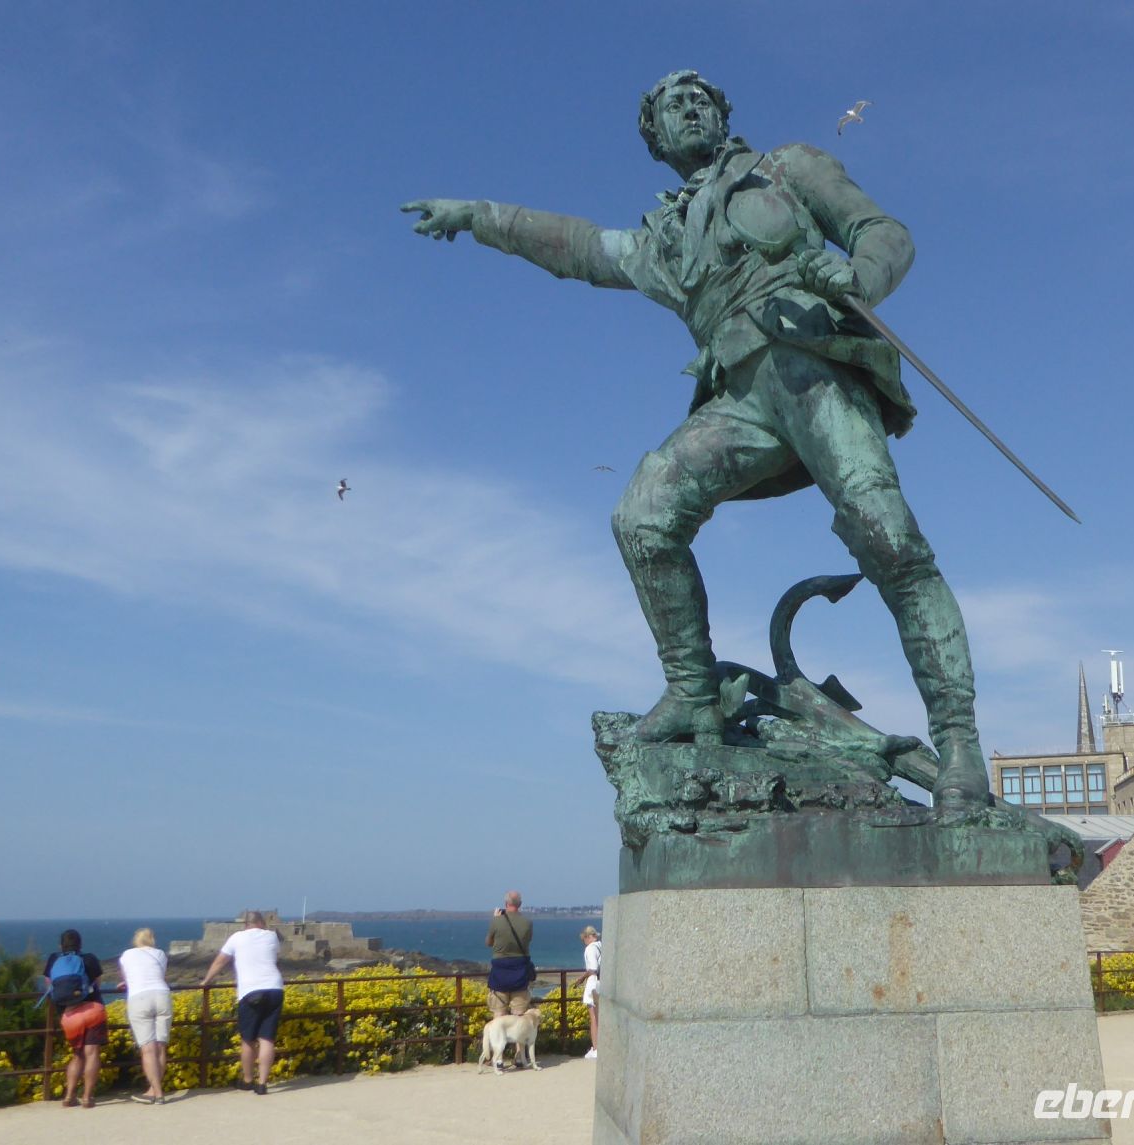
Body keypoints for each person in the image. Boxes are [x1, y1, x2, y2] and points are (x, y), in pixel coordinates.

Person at [404, 71, 992, 815]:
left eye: (701, 98)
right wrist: (480, 215)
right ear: (654, 139)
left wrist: (855, 276)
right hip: (740, 401)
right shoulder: (663, 241)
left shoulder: (787, 168)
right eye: (671, 106)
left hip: (814, 368)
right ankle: (691, 691)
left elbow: (887, 234)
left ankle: (961, 744)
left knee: (891, 542)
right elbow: (578, 247)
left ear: (722, 115)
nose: (689, 108)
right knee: (642, 516)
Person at [200, 911, 284, 1095]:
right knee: (267, 1038)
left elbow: (220, 961)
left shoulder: (236, 937)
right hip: (275, 989)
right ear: (261, 922)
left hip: (251, 990)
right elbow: (274, 958)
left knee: (248, 1039)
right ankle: (262, 1083)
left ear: (246, 924)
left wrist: (207, 981)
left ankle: (247, 1080)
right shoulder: (271, 936)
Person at [43, 928, 106, 1108]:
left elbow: (50, 984)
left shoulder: (54, 959)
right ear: (80, 944)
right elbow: (98, 983)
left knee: (77, 1055)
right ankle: (87, 1097)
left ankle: (69, 1095)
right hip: (93, 1009)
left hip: (69, 1014)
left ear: (60, 945)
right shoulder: (90, 959)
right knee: (92, 1053)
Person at [117, 927, 171, 1105]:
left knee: (147, 1049)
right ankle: (153, 1090)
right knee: (160, 1047)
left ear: (136, 940)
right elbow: (160, 974)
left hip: (139, 997)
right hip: (162, 995)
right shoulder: (160, 954)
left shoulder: (126, 955)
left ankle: (157, 1093)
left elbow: (127, 977)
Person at [484, 890, 534, 1018]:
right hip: (520, 971)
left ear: (506, 903)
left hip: (500, 972)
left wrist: (496, 919)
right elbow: (527, 941)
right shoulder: (527, 923)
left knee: (499, 1014)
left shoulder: (496, 921)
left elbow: (488, 942)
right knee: (519, 1015)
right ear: (520, 904)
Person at [574, 925, 602, 1059]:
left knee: (594, 1018)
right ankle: (599, 1046)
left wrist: (581, 978)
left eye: (584, 939)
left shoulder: (590, 948)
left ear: (588, 936)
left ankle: (596, 1048)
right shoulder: (601, 946)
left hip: (593, 984)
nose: (583, 942)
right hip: (601, 983)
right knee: (600, 1017)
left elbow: (593, 968)